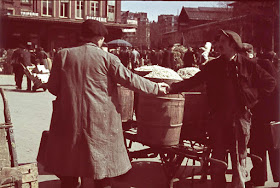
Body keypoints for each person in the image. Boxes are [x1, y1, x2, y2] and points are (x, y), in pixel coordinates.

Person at [41, 20, 169, 188]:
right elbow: (131, 80)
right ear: (99, 38)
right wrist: (157, 88)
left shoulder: (62, 55)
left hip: (68, 121)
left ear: (82, 36)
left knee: (69, 171)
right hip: (100, 124)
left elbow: (52, 88)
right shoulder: (108, 58)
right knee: (102, 171)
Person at [168, 29, 276, 188]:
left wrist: (251, 99)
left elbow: (270, 83)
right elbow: (193, 81)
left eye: (223, 42)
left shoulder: (248, 65)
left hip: (240, 120)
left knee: (239, 160)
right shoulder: (213, 65)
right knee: (217, 162)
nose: (219, 45)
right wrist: (171, 88)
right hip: (218, 120)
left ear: (233, 45)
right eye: (219, 42)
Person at [246, 50, 280, 188]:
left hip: (266, 114)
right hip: (265, 115)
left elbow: (271, 89)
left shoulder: (261, 65)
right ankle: (261, 178)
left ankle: (260, 178)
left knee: (270, 147)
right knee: (267, 148)